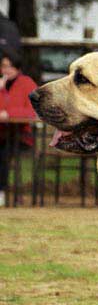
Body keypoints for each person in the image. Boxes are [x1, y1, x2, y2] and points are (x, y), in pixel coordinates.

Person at [0, 51, 38, 207]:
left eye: (9, 66)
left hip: (20, 136)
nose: (6, 70)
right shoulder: (1, 85)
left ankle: (1, 192)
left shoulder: (27, 83)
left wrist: (9, 114)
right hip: (2, 134)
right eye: (3, 66)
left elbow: (33, 111)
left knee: (3, 152)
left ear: (17, 67)